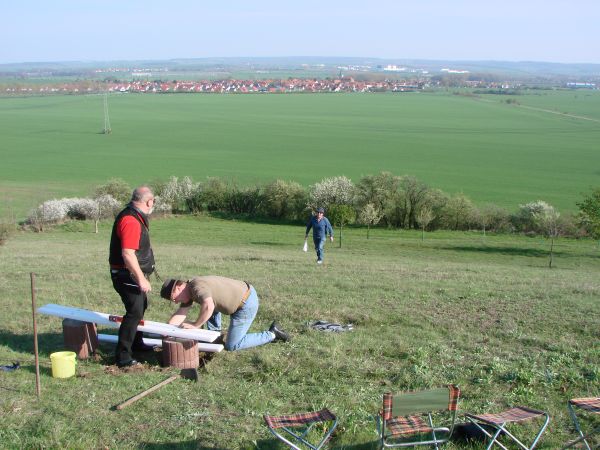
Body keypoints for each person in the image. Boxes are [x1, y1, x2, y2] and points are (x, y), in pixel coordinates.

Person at [160, 276, 290, 351]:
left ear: (178, 288)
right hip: (240, 297)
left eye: (173, 298)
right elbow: (181, 313)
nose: (175, 302)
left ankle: (272, 334)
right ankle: (216, 335)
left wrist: (195, 325)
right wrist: (167, 332)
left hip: (245, 303)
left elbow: (209, 306)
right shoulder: (189, 291)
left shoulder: (196, 287)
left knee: (232, 345)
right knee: (208, 303)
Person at [109, 186, 157, 368]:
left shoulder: (134, 216)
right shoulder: (131, 220)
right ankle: (123, 356)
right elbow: (128, 254)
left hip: (129, 273)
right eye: (153, 201)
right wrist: (141, 279)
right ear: (149, 202)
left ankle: (137, 343)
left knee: (141, 306)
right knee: (134, 312)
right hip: (125, 274)